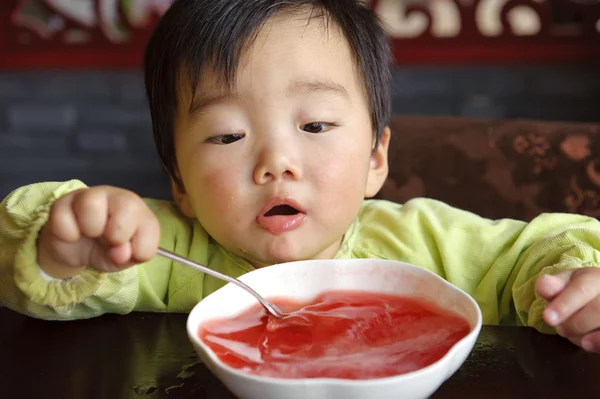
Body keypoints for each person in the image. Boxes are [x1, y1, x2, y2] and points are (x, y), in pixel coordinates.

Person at [1, 0, 600, 354]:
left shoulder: (426, 246)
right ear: (178, 181)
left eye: (314, 125)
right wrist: (67, 250)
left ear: (375, 159)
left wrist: (571, 279)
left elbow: (529, 253)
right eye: (227, 136)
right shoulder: (156, 250)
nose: (276, 163)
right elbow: (38, 288)